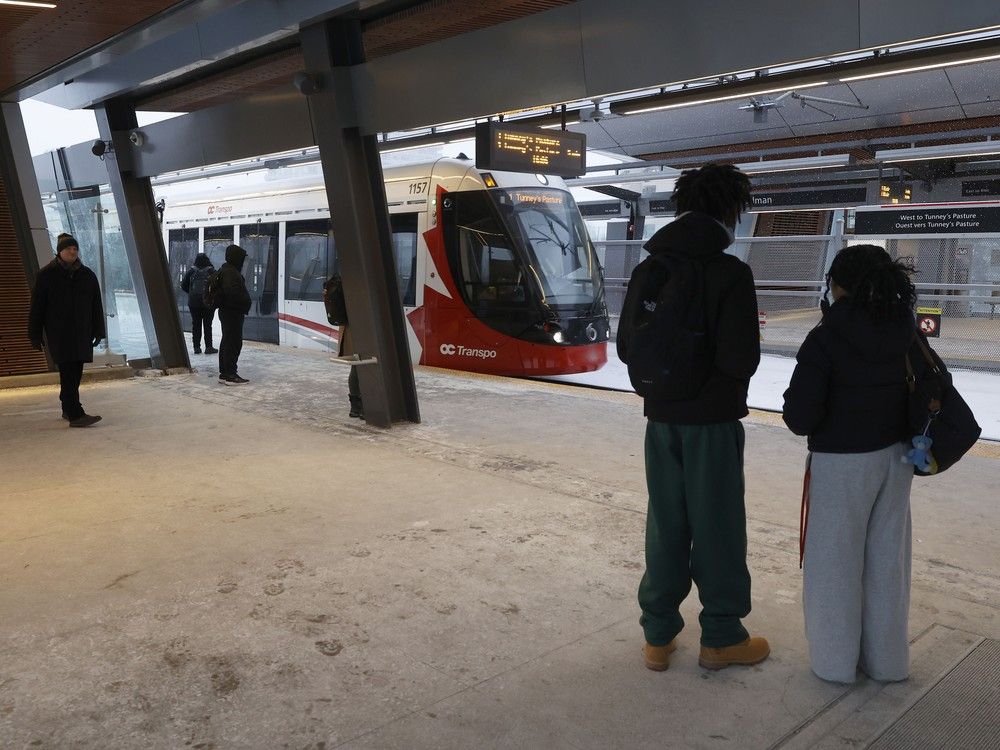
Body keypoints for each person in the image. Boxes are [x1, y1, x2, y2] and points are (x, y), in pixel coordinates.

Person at [624, 163, 769, 672]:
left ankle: (658, 636)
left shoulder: (650, 268)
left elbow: (627, 346)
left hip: (660, 420)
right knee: (717, 525)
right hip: (712, 422)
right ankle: (722, 637)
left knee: (665, 522)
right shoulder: (730, 272)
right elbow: (741, 359)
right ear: (730, 210)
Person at [783, 245, 920, 684]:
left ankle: (835, 665)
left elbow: (800, 416)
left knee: (834, 564)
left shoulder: (826, 337)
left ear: (838, 286)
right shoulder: (905, 328)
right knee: (887, 563)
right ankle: (888, 663)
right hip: (897, 459)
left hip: (841, 463)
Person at [27, 233, 105, 427]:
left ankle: (67, 407)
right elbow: (37, 307)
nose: (72, 251)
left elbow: (96, 305)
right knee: (68, 372)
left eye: (75, 248)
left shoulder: (87, 275)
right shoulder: (46, 275)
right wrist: (35, 335)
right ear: (59, 252)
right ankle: (76, 414)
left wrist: (99, 330)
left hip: (82, 332)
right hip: (60, 333)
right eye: (68, 248)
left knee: (75, 372)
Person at [216, 244, 251, 385]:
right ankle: (231, 374)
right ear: (236, 258)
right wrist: (243, 302)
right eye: (241, 258)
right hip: (232, 312)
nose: (243, 261)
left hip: (228, 312)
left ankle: (224, 373)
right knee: (233, 343)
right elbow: (232, 293)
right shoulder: (231, 272)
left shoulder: (226, 269)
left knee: (227, 341)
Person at [180, 252, 217, 355]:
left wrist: (192, 293)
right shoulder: (211, 271)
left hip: (194, 303)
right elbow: (217, 285)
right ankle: (209, 347)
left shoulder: (191, 271)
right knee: (207, 325)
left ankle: (197, 347)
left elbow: (183, 285)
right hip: (208, 303)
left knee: (196, 325)